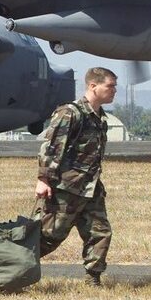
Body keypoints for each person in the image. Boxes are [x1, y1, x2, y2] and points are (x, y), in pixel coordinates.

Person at [35, 67, 117, 286]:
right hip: (66, 188)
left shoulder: (99, 117)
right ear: (93, 86)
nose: (114, 90)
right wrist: (43, 179)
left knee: (100, 233)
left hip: (90, 187)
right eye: (110, 86)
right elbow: (52, 147)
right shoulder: (70, 113)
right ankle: (9, 266)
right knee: (49, 236)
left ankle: (93, 279)